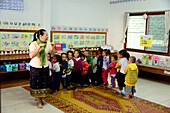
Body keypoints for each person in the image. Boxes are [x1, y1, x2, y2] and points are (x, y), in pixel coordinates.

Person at [29, 29, 55, 108]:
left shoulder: (47, 44)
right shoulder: (33, 44)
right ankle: (38, 101)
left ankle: (41, 99)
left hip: (45, 66)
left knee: (44, 84)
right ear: (41, 36)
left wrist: (53, 47)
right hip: (35, 67)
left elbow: (52, 54)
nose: (47, 37)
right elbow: (31, 55)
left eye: (47, 35)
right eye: (46, 35)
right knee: (37, 84)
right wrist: (38, 48)